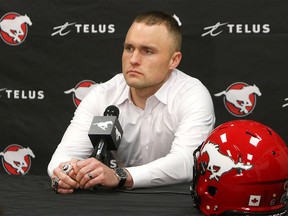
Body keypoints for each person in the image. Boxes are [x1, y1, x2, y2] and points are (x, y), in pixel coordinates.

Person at [47, 10, 215, 194]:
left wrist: (119, 176)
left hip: (175, 204)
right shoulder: (102, 95)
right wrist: (64, 173)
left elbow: (186, 162)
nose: (133, 60)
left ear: (173, 60)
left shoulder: (192, 94)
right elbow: (62, 157)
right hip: (118, 206)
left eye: (147, 51)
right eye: (129, 48)